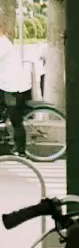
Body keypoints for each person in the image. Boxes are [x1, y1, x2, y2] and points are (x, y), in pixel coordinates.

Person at [0, 26, 31, 155]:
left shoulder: (3, 44)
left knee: (16, 120)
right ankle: (4, 143)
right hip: (6, 86)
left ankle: (21, 151)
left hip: (14, 88)